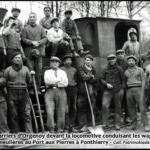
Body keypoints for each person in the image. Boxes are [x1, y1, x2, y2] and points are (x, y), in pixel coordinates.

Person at [4, 52, 33, 133]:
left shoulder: (26, 69)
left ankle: (29, 133)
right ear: (12, 59)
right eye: (16, 58)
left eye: (19, 58)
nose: (17, 59)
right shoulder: (8, 70)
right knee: (13, 114)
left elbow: (29, 81)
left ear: (21, 59)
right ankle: (16, 132)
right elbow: (4, 83)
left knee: (26, 114)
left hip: (23, 92)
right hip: (11, 92)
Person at [21, 12, 47, 94]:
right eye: (30, 17)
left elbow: (45, 38)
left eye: (33, 17)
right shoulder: (25, 28)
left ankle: (38, 89)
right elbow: (23, 39)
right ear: (29, 18)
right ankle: (31, 89)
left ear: (36, 18)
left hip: (39, 52)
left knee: (38, 72)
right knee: (30, 71)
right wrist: (32, 42)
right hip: (29, 53)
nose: (32, 18)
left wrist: (38, 43)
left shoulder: (41, 28)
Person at [125, 55, 150, 132]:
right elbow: (125, 82)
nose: (131, 62)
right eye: (129, 61)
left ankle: (146, 124)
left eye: (132, 60)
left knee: (142, 108)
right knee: (131, 108)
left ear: (135, 61)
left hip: (138, 89)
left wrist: (142, 90)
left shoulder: (140, 70)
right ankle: (133, 124)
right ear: (127, 62)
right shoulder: (126, 71)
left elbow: (143, 80)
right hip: (129, 90)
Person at [101, 54, 125, 130]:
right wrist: (106, 84)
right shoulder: (105, 69)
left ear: (115, 59)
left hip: (118, 90)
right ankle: (105, 123)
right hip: (108, 90)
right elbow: (101, 79)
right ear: (108, 60)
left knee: (118, 107)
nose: (111, 60)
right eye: (110, 59)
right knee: (104, 105)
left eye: (113, 59)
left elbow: (123, 79)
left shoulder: (119, 69)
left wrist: (121, 89)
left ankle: (117, 124)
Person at [44, 56, 68, 133]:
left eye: (56, 62)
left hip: (61, 91)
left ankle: (60, 129)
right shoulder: (47, 72)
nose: (54, 63)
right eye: (53, 62)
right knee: (49, 111)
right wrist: (58, 80)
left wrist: (54, 82)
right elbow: (47, 81)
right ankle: (51, 128)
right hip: (49, 92)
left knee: (61, 111)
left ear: (59, 63)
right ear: (50, 63)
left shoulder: (63, 72)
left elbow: (65, 83)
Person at [77, 54, 98, 132]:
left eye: (90, 60)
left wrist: (89, 77)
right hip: (82, 91)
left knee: (91, 108)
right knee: (81, 108)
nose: (88, 62)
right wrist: (90, 76)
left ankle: (91, 124)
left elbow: (95, 80)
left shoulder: (93, 69)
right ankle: (83, 125)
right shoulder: (80, 68)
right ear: (84, 61)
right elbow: (83, 77)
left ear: (92, 61)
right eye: (87, 60)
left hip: (91, 91)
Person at [61, 54, 78, 132]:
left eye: (70, 60)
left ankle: (72, 126)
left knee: (73, 108)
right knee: (66, 109)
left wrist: (75, 84)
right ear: (64, 62)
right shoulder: (61, 69)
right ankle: (66, 127)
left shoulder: (74, 70)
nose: (69, 61)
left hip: (73, 89)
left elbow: (77, 79)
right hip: (64, 89)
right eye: (67, 60)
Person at [116, 49, 130, 123]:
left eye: (121, 54)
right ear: (116, 56)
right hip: (118, 85)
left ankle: (127, 116)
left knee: (127, 101)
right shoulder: (115, 64)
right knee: (119, 102)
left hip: (127, 85)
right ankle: (120, 116)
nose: (120, 55)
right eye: (118, 54)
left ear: (124, 55)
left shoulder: (128, 63)